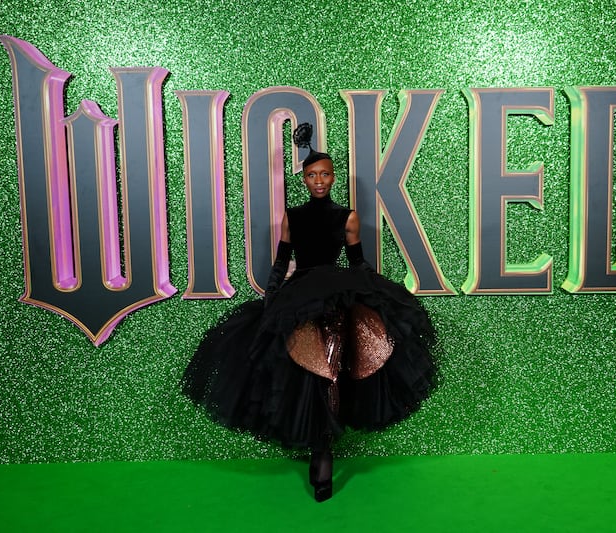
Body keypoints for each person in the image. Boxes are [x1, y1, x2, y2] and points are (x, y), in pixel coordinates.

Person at [182, 123, 437, 502]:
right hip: (299, 296)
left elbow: (358, 263)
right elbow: (282, 260)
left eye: (325, 174)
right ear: (303, 179)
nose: (319, 181)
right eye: (312, 175)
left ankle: (324, 448)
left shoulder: (346, 217)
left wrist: (380, 294)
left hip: (335, 295)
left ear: (334, 178)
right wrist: (271, 296)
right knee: (304, 367)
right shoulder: (293, 217)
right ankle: (319, 442)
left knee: (335, 367)